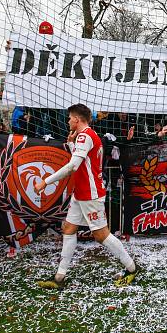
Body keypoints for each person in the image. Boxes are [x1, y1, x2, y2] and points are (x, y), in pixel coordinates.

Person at [34, 104, 139, 289]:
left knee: (101, 235)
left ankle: (131, 268)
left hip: (90, 194)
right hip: (81, 193)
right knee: (68, 229)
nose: (68, 121)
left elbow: (72, 166)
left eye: (69, 118)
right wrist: (71, 144)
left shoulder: (85, 136)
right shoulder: (88, 136)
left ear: (76, 119)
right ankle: (59, 278)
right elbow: (84, 161)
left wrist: (45, 182)